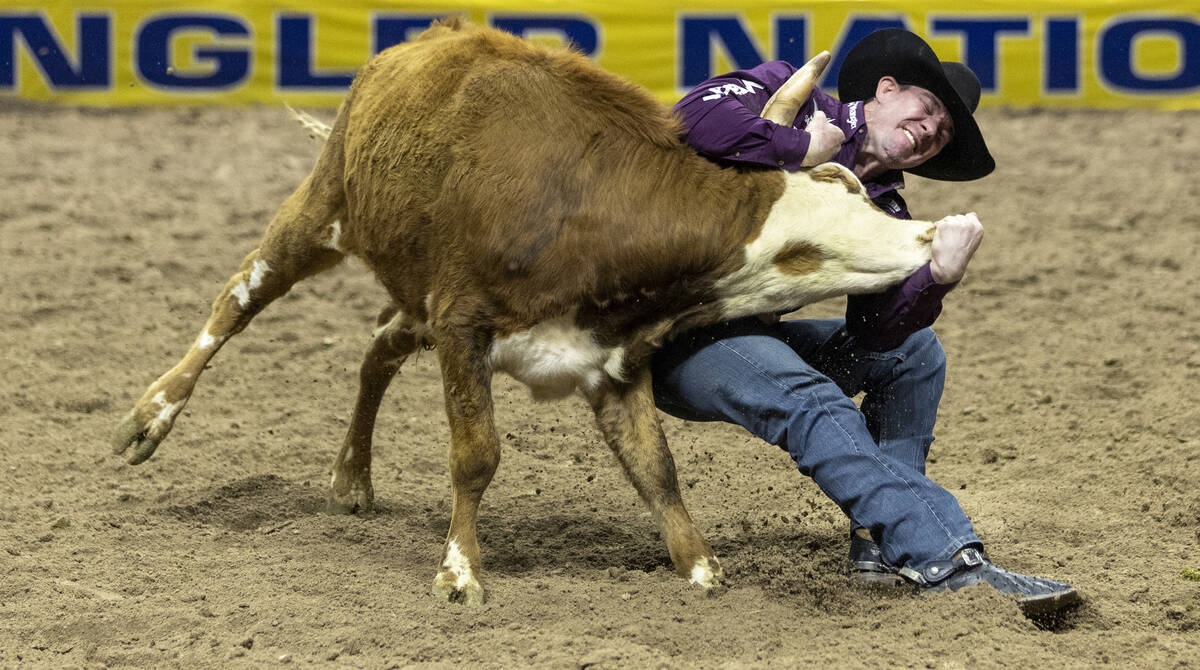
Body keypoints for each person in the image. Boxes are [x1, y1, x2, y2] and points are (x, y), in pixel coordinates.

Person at [652, 29, 1080, 617]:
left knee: (915, 352)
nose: (930, 129)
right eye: (927, 109)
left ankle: (880, 544)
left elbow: (876, 334)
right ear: (885, 89)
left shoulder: (887, 208)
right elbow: (693, 121)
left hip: (745, 335)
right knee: (812, 399)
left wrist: (935, 279)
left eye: (942, 134)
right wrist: (795, 148)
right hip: (664, 332)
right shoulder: (786, 91)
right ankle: (943, 557)